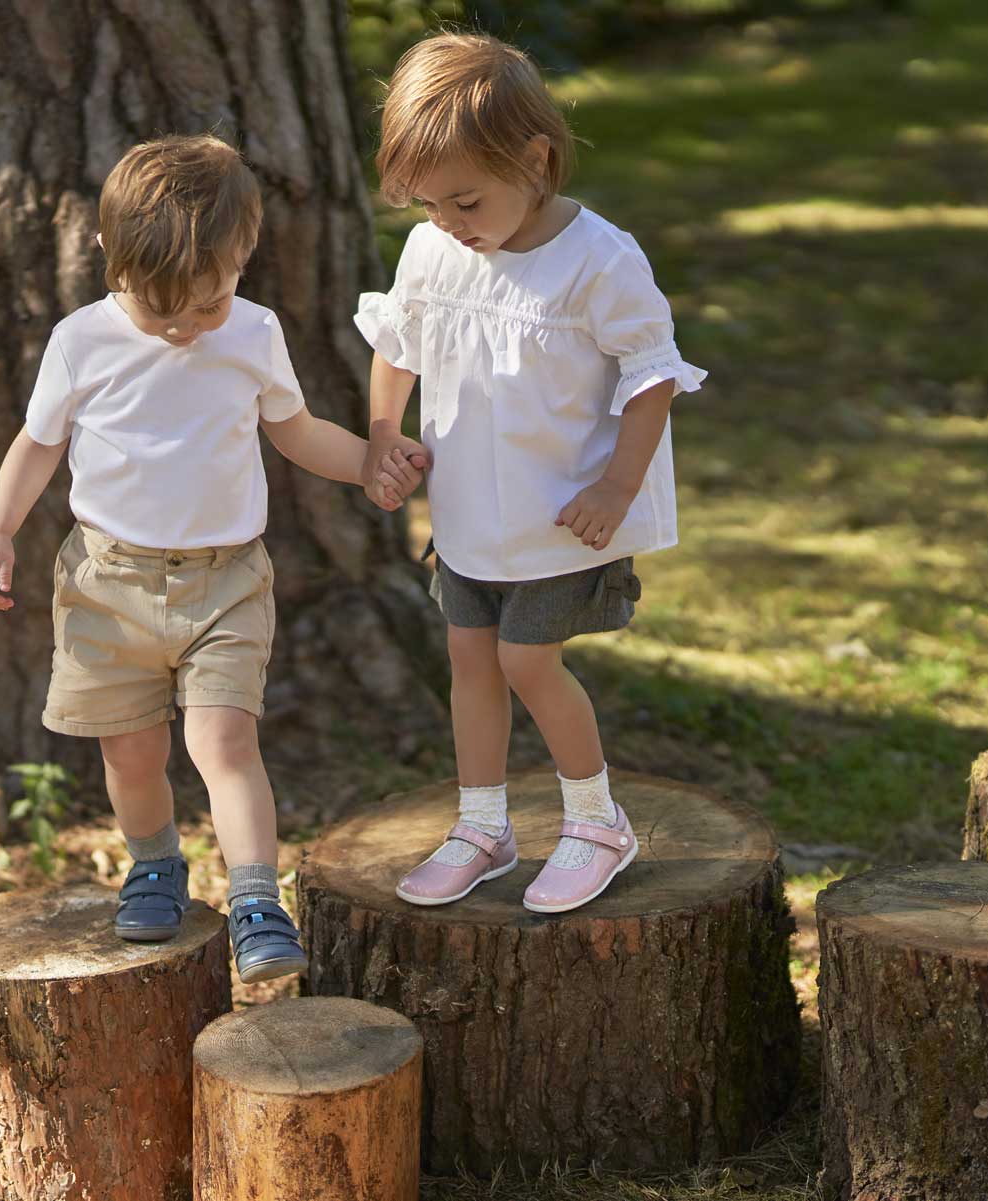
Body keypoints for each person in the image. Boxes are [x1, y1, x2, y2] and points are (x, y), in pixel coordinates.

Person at [0, 134, 423, 981]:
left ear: (243, 257)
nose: (185, 326)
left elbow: (293, 429)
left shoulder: (251, 332)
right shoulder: (81, 342)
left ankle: (257, 898)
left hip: (225, 581)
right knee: (132, 753)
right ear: (109, 257)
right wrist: (0, 531)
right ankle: (153, 865)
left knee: (224, 742)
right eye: (161, 308)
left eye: (206, 304)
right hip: (106, 584)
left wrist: (366, 459)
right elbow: (37, 446)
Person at [355, 33, 706, 913]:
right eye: (428, 205)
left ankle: (596, 821)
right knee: (468, 654)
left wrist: (617, 488)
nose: (447, 222)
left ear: (535, 158)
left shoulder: (598, 259)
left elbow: (651, 372)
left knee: (526, 658)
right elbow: (398, 343)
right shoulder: (436, 253)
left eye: (465, 199)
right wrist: (380, 433)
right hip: (472, 511)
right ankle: (485, 825)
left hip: (563, 515)